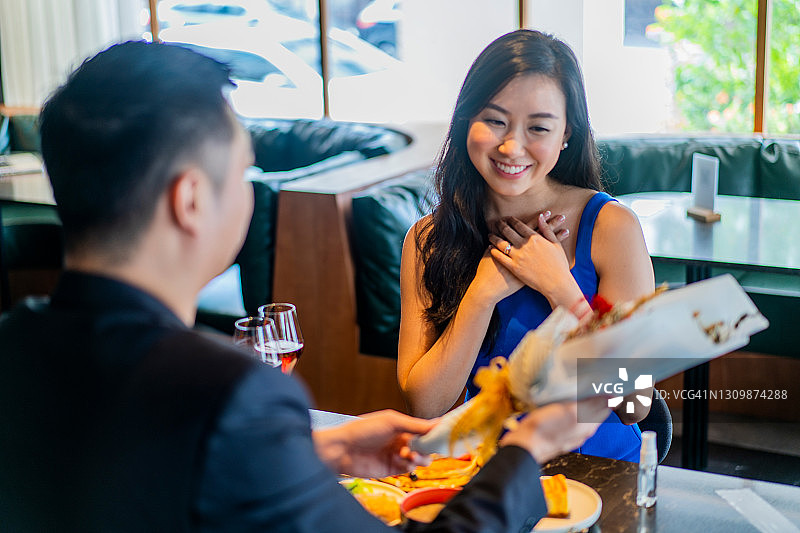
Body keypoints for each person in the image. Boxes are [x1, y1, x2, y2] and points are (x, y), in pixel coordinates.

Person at [0, 41, 608, 532]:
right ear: (190, 200)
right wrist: (526, 455)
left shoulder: (14, 342)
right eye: (242, 173)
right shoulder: (235, 397)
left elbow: (132, 474)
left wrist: (320, 452)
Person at [398, 29, 655, 462]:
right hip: (488, 476)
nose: (512, 146)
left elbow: (634, 404)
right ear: (466, 121)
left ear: (566, 135)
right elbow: (425, 405)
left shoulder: (612, 228)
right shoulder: (428, 238)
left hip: (602, 476)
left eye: (538, 127)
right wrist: (481, 296)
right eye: (495, 120)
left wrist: (561, 289)